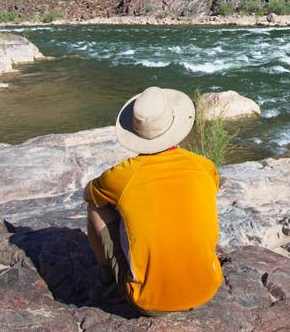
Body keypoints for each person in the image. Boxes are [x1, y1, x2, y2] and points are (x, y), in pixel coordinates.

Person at [83, 86, 222, 314]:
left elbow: (89, 196)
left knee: (96, 209)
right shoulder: (203, 165)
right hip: (207, 289)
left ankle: (107, 280)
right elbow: (214, 187)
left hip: (149, 302)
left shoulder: (122, 176)